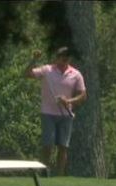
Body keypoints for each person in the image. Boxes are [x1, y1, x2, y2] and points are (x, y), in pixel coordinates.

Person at [26, 46, 86, 176]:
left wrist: (69, 101)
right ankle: (44, 171)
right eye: (62, 58)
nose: (65, 60)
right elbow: (28, 74)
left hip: (65, 114)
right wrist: (34, 60)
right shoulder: (47, 70)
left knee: (63, 146)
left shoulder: (76, 74)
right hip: (48, 113)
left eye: (67, 58)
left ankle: (59, 175)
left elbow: (83, 95)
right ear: (57, 58)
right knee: (48, 145)